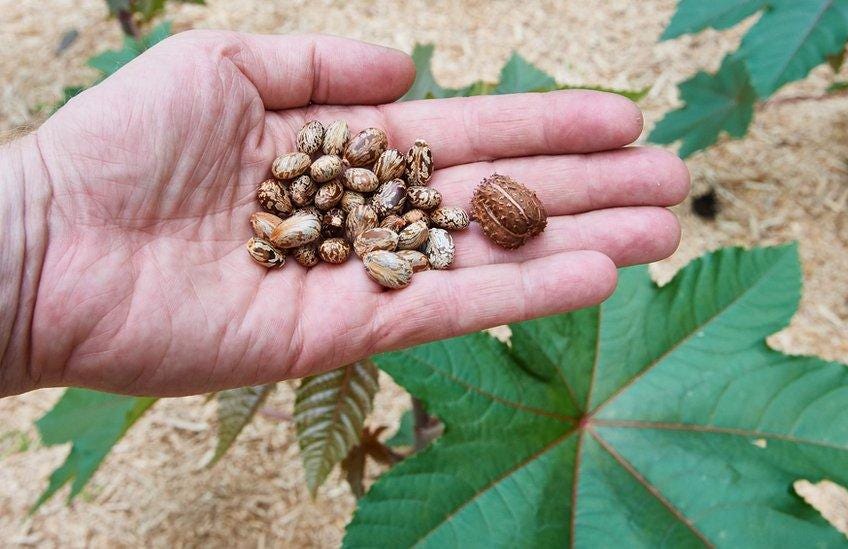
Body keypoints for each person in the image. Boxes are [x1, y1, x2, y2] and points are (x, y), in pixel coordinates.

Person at [0, 31, 688, 398]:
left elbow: (380, 210)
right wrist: (40, 214)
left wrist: (36, 234)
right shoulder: (335, 201)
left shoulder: (389, 204)